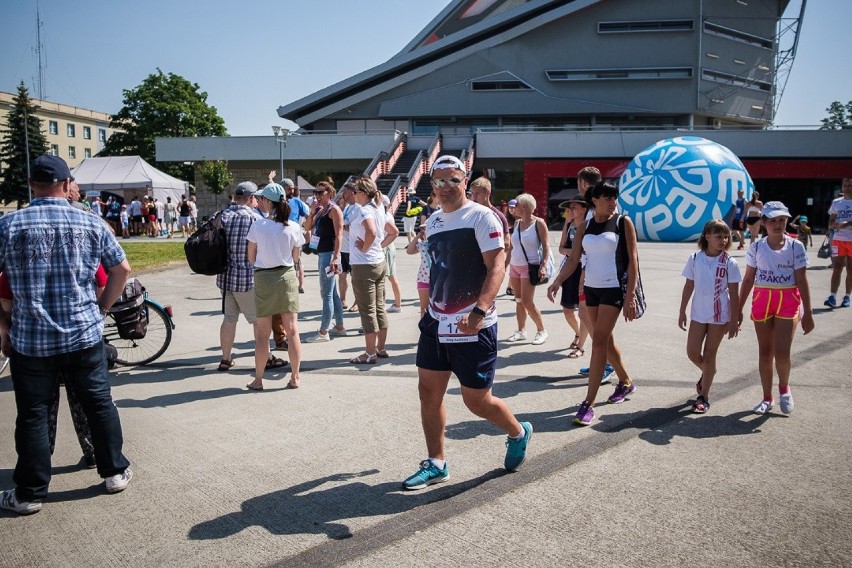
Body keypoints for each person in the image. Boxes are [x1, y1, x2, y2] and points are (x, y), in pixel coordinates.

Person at [0, 154, 133, 515]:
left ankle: (29, 493)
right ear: (66, 183)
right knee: (98, 403)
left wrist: (3, 324)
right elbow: (121, 270)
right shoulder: (91, 223)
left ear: (30, 185)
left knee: (32, 413)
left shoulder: (9, 225)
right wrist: (102, 309)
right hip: (83, 335)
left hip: (31, 339)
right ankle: (114, 472)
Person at [402, 155, 532, 490]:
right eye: (439, 181)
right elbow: (438, 269)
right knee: (428, 392)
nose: (445, 187)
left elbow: (497, 267)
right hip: (437, 322)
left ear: (465, 181)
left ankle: (518, 432)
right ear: (432, 186)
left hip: (473, 324)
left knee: (476, 401)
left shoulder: (481, 216)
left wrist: (479, 311)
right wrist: (429, 310)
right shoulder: (433, 222)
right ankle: (436, 463)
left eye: (452, 180)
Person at [547, 181, 640, 426]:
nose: (613, 202)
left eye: (615, 198)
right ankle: (626, 382)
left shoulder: (622, 222)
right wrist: (557, 281)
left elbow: (633, 261)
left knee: (598, 341)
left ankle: (588, 403)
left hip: (613, 290)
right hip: (592, 289)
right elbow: (574, 258)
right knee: (606, 339)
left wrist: (630, 295)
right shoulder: (585, 226)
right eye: (608, 198)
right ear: (595, 200)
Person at [738, 201, 814, 414]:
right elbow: (748, 279)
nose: (778, 224)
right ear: (763, 223)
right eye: (773, 220)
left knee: (782, 353)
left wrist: (808, 312)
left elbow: (801, 280)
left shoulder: (795, 246)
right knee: (765, 354)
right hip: (762, 301)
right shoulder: (756, 247)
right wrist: (738, 309)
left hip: (787, 301)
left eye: (782, 220)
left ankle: (784, 389)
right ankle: (767, 398)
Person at [678, 220, 742, 413]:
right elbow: (689, 286)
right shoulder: (695, 258)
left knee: (710, 354)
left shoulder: (730, 263)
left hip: (719, 315)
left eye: (725, 236)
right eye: (718, 236)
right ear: (707, 236)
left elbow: (734, 293)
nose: (723, 240)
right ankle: (708, 373)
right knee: (692, 352)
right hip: (698, 313)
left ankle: (703, 396)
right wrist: (682, 311)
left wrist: (734, 319)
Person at [245, 183, 304, 391]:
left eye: (261, 199)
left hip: (264, 278)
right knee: (292, 330)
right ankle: (295, 377)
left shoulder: (258, 226)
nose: (259, 202)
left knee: (262, 334)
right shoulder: (294, 227)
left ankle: (258, 379)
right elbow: (296, 257)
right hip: (286, 276)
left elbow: (250, 257)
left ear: (268, 202)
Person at [348, 176, 397, 363]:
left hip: (364, 265)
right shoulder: (379, 208)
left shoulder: (365, 210)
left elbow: (372, 232)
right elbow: (393, 232)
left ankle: (370, 353)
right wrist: (378, 246)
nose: (353, 195)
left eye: (355, 192)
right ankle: (381, 348)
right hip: (378, 262)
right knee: (379, 307)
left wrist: (366, 247)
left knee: (367, 310)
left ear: (361, 193)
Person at [216, 182, 263, 372]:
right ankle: (263, 357)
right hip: (246, 278)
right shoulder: (253, 218)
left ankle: (225, 358)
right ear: (251, 198)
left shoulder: (222, 215)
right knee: (258, 321)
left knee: (229, 318)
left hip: (225, 277)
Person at [303, 179, 347, 342]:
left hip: (329, 254)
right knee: (332, 293)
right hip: (322, 253)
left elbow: (339, 235)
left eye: (320, 193)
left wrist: (335, 257)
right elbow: (307, 228)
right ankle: (339, 326)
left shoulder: (334, 210)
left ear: (329, 193)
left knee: (326, 294)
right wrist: (312, 212)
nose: (317, 196)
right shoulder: (321, 210)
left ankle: (323, 331)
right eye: (315, 192)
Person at [505, 193, 549, 345]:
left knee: (527, 302)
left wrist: (543, 265)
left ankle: (541, 330)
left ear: (524, 207)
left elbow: (546, 246)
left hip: (529, 267)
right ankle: (521, 331)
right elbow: (511, 247)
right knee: (518, 301)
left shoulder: (539, 223)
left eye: (515, 205)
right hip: (515, 267)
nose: (513, 208)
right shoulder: (517, 224)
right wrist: (505, 265)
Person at [558, 195, 590, 358]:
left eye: (574, 207)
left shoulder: (588, 227)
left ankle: (581, 346)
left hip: (585, 271)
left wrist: (574, 253)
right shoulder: (570, 225)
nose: (570, 210)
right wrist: (566, 222)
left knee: (583, 311)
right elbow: (561, 248)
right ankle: (578, 333)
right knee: (567, 309)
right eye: (569, 208)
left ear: (584, 209)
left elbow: (588, 252)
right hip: (570, 270)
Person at [824, 178, 852, 309]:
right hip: (838, 239)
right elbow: (831, 220)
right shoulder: (836, 202)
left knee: (850, 269)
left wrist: (848, 223)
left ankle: (847, 296)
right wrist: (833, 224)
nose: (847, 188)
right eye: (845, 185)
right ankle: (832, 296)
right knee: (837, 268)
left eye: (850, 185)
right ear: (842, 187)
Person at [339, 181, 361, 312]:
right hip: (343, 248)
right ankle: (342, 300)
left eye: (346, 192)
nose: (343, 195)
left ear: (353, 193)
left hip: (353, 249)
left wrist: (344, 226)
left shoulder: (359, 208)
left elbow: (357, 226)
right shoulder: (347, 208)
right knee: (342, 276)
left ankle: (357, 302)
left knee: (356, 279)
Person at [380, 194, 403, 313]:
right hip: (390, 246)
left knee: (384, 278)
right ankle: (397, 304)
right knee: (392, 277)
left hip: (385, 246)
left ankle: (382, 305)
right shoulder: (388, 215)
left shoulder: (384, 216)